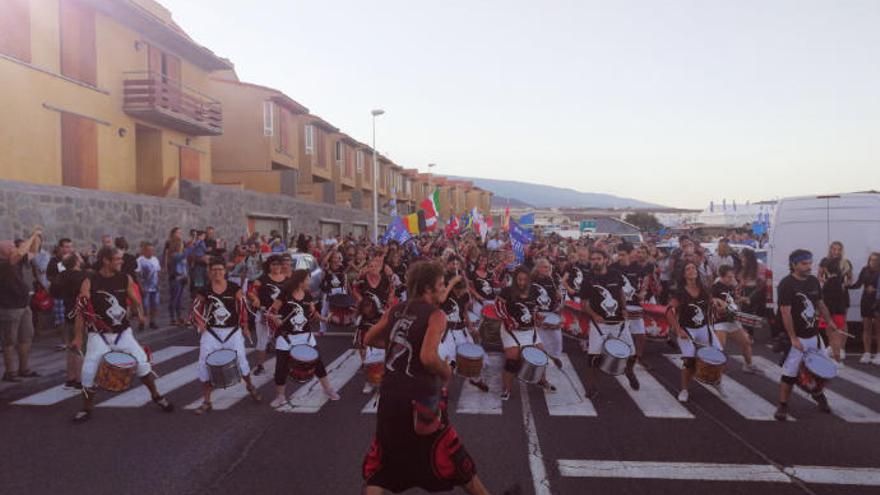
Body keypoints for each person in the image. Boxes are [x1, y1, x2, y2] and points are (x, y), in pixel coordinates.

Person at [361, 261, 488, 495]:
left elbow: (369, 338)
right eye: (441, 284)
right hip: (422, 402)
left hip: (389, 398)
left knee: (384, 465)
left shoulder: (396, 309)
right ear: (428, 288)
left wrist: (397, 343)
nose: (443, 289)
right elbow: (428, 357)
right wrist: (446, 371)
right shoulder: (436, 315)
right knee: (455, 458)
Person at [70, 247, 174, 422]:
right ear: (106, 260)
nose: (121, 261)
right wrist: (78, 337)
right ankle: (86, 409)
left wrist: (140, 313)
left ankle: (156, 396)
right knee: (88, 371)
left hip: (122, 333)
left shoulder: (124, 278)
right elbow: (81, 310)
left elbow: (134, 298)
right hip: (98, 334)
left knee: (142, 363)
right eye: (117, 259)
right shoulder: (90, 281)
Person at [774, 249, 839, 421]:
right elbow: (785, 313)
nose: (808, 266)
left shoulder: (813, 281)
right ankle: (782, 405)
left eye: (810, 263)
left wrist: (830, 321)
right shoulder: (786, 284)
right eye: (804, 264)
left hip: (814, 336)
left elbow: (820, 303)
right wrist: (793, 338)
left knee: (821, 371)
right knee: (789, 374)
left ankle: (818, 396)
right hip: (797, 338)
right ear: (794, 265)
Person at [191, 258, 261, 414]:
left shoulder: (234, 288)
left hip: (232, 331)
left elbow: (242, 307)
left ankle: (250, 386)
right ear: (210, 272)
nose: (217, 272)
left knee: (241, 361)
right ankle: (207, 401)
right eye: (214, 270)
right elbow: (195, 308)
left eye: (220, 269)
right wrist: (200, 322)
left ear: (225, 272)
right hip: (212, 332)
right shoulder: (205, 290)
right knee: (204, 364)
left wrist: (245, 326)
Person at [267, 269, 339, 408]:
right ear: (300, 281)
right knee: (281, 367)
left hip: (305, 336)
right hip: (286, 337)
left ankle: (328, 389)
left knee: (318, 364)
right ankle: (280, 396)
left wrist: (324, 319)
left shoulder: (307, 295)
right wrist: (275, 318)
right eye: (308, 279)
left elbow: (313, 313)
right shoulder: (285, 294)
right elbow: (271, 312)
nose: (309, 282)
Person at [581, 248, 639, 398]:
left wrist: (625, 309)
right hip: (599, 324)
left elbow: (621, 293)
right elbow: (584, 303)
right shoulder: (587, 279)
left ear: (605, 260)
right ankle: (592, 386)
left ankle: (629, 371)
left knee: (632, 354)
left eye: (598, 259)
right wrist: (594, 315)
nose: (595, 262)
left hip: (619, 322)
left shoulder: (615, 274)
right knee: (593, 357)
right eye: (592, 259)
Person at [495, 266, 558, 400]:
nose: (521, 282)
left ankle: (541, 380)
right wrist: (509, 320)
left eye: (524, 279)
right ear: (515, 278)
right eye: (519, 279)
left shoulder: (534, 291)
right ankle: (507, 388)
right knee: (512, 360)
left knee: (542, 355)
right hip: (511, 330)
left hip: (529, 330)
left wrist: (538, 318)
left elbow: (533, 309)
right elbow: (498, 307)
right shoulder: (507, 291)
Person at [668, 260, 724, 403]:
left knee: (718, 354)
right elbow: (669, 311)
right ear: (684, 274)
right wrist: (678, 330)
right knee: (689, 359)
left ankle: (716, 382)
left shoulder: (704, 287)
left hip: (704, 328)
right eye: (688, 269)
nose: (692, 270)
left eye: (694, 268)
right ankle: (684, 389)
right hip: (687, 330)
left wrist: (717, 304)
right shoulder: (679, 292)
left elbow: (712, 301)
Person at [438, 260, 489, 393]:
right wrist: (452, 283)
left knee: (471, 356)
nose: (461, 293)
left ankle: (475, 379)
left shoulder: (465, 295)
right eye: (458, 290)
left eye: (462, 290)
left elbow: (464, 311)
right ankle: (444, 389)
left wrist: (471, 327)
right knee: (449, 362)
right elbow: (441, 299)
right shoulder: (445, 294)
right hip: (447, 333)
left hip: (461, 330)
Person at [0, 228, 42, 382]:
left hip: (23, 305)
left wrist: (37, 236)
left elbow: (33, 252)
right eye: (11, 247)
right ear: (4, 252)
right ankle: (10, 372)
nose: (15, 248)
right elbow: (20, 253)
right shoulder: (4, 264)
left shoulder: (16, 262)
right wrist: (32, 236)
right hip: (9, 308)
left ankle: (24, 369)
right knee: (9, 341)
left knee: (25, 338)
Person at [50, 253, 88, 389]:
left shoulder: (61, 276)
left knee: (71, 347)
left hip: (68, 312)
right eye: (80, 257)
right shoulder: (84, 276)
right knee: (81, 347)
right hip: (81, 314)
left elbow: (53, 291)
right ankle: (80, 380)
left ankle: (70, 379)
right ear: (77, 262)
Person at [610, 242, 650, 368]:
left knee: (641, 335)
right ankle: (616, 357)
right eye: (618, 254)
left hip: (635, 304)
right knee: (619, 334)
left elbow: (645, 281)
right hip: (618, 306)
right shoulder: (613, 268)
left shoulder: (637, 267)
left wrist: (643, 292)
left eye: (622, 255)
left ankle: (638, 357)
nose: (620, 257)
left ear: (629, 255)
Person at [711, 265, 757, 373]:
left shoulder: (730, 286)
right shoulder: (715, 287)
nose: (732, 279)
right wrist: (718, 305)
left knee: (746, 342)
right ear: (721, 276)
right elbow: (710, 301)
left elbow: (732, 300)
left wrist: (742, 299)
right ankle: (712, 369)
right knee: (719, 346)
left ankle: (748, 365)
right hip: (720, 321)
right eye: (729, 277)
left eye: (732, 276)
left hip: (732, 319)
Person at [248, 255, 287, 376]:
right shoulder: (262, 279)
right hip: (264, 314)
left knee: (284, 342)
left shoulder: (287, 279)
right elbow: (250, 291)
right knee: (262, 341)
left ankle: (285, 366)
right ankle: (260, 366)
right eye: (273, 264)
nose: (276, 267)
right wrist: (255, 298)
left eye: (278, 264)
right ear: (269, 266)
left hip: (282, 316)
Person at [818, 241, 853, 365]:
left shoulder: (845, 262)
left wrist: (845, 284)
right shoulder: (824, 261)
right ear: (830, 249)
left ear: (841, 250)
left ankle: (841, 349)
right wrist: (825, 280)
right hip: (827, 294)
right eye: (834, 249)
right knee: (828, 321)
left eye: (838, 249)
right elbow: (819, 276)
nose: (836, 251)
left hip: (842, 296)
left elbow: (850, 278)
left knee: (842, 323)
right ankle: (832, 347)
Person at [849, 252, 880, 364]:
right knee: (866, 328)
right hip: (866, 301)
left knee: (878, 329)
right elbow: (858, 284)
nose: (873, 262)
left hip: (878, 302)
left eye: (876, 260)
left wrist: (875, 290)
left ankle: (878, 354)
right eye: (871, 260)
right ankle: (867, 353)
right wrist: (846, 286)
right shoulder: (865, 270)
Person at [531, 257, 563, 360]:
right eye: (545, 267)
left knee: (557, 339)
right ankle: (539, 358)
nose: (548, 269)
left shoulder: (552, 280)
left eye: (549, 267)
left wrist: (558, 297)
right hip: (538, 313)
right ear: (538, 268)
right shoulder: (532, 280)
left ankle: (555, 357)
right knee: (540, 339)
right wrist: (535, 315)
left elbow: (557, 302)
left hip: (550, 312)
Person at [163, 228, 189, 327]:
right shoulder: (175, 255)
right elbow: (182, 256)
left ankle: (179, 317)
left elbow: (184, 266)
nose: (182, 245)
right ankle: (172, 318)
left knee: (179, 299)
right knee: (174, 298)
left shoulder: (181, 254)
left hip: (182, 277)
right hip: (175, 278)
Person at [136, 242, 161, 330]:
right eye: (148, 250)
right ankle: (142, 322)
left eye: (152, 250)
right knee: (145, 306)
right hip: (145, 287)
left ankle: (152, 321)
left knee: (155, 305)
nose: (151, 252)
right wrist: (141, 287)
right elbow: (137, 274)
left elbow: (158, 272)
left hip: (155, 287)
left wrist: (158, 284)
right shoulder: (140, 260)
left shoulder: (155, 259)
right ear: (144, 251)